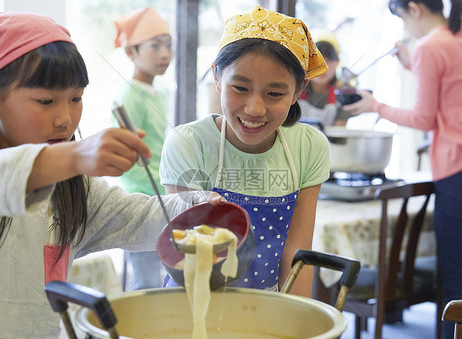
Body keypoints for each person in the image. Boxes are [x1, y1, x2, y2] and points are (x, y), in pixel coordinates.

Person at [0, 13, 219, 339]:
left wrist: (195, 208)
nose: (65, 119)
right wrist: (74, 155)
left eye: (76, 99)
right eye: (46, 101)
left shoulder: (72, 187)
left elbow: (133, 218)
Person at [343, 1, 462, 339]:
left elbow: (424, 117)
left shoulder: (431, 48)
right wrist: (411, 62)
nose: (406, 27)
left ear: (415, 8)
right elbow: (455, 93)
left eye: (402, 16)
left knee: (457, 284)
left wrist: (376, 105)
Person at [159, 6, 331, 299]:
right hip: (192, 304)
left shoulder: (309, 147)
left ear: (298, 90)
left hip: (268, 307)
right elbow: (186, 252)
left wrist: (296, 331)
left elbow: (296, 255)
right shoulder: (188, 143)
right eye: (240, 87)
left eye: (275, 94)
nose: (254, 108)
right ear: (216, 77)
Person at [113, 7, 173, 290]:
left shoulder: (153, 91)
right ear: (131, 52)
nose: (165, 53)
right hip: (143, 197)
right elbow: (129, 156)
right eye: (155, 46)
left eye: (168, 45)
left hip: (158, 195)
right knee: (147, 281)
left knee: (160, 274)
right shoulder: (129, 96)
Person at [298, 40, 349, 127]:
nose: (323, 66)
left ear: (337, 63)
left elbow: (337, 135)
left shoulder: (343, 94)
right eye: (318, 61)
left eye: (329, 61)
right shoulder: (295, 89)